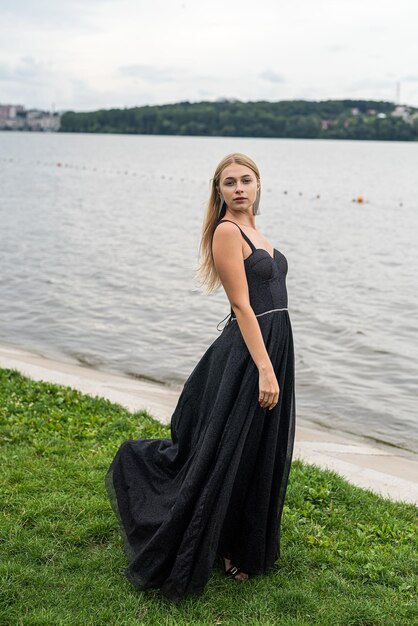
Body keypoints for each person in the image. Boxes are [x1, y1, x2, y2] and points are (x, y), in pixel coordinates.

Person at [105, 152, 296, 604]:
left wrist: (276, 357)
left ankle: (239, 541)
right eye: (229, 183)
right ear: (219, 191)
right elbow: (241, 306)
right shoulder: (227, 232)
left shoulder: (256, 231)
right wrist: (265, 367)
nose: (239, 189)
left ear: (258, 185)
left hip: (276, 341)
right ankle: (222, 544)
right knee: (230, 449)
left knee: (256, 448)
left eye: (246, 180)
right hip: (252, 352)